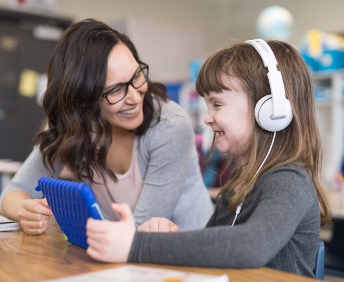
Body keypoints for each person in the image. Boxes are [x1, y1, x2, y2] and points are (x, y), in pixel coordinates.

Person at [85, 39, 331, 278]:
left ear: (269, 110)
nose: (208, 118)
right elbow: (214, 256)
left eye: (217, 104)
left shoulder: (289, 181)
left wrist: (137, 245)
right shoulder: (237, 186)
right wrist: (166, 238)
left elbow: (252, 245)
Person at [0, 19, 213, 235]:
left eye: (137, 75)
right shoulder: (74, 128)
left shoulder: (169, 126)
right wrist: (26, 211)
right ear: (83, 99)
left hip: (187, 256)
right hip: (117, 252)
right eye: (116, 90)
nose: (134, 97)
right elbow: (15, 192)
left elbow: (139, 232)